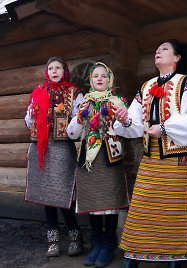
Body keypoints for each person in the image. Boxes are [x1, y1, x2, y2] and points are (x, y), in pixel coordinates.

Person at [114, 39, 187, 268]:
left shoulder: (186, 83)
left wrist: (165, 128)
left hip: (179, 161)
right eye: (156, 49)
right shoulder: (146, 87)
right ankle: (134, 258)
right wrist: (125, 120)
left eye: (165, 49)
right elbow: (137, 121)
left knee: (173, 216)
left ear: (177, 58)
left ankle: (173, 262)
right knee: (142, 213)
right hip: (152, 159)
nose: (158, 51)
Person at [67, 62, 129, 267]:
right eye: (96, 76)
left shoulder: (118, 102)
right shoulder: (84, 102)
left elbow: (126, 130)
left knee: (109, 205)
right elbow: (72, 133)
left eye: (104, 76)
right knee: (93, 204)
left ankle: (108, 245)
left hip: (109, 157)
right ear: (91, 80)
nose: (100, 79)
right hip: (88, 160)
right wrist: (79, 116)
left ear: (110, 80)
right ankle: (97, 245)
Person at [24, 56, 84, 257]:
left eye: (58, 68)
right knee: (45, 196)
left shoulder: (74, 93)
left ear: (64, 70)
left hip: (62, 147)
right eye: (50, 68)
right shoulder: (39, 92)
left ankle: (75, 236)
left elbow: (79, 119)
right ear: (46, 71)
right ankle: (54, 240)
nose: (54, 71)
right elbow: (28, 117)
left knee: (62, 193)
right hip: (41, 148)